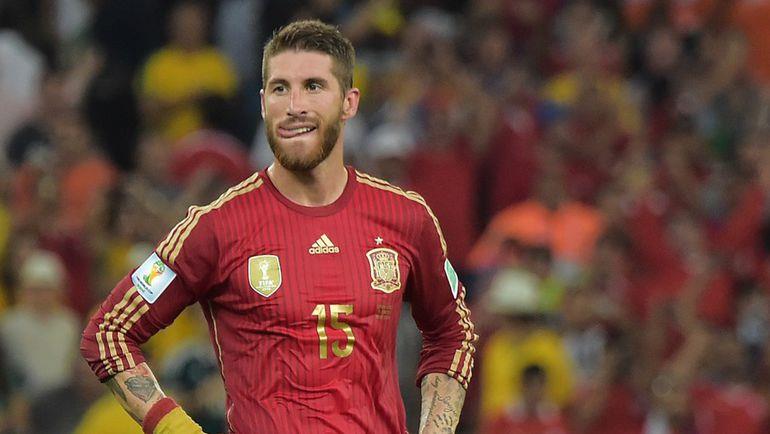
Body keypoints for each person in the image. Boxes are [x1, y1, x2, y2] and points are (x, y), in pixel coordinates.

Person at [81, 19, 476, 434]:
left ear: (349, 102)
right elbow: (108, 333)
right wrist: (176, 429)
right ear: (263, 102)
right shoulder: (217, 226)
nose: (294, 106)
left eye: (313, 87)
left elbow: (453, 333)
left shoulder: (404, 217)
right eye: (280, 88)